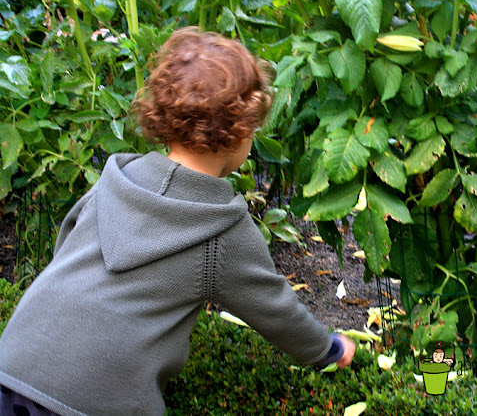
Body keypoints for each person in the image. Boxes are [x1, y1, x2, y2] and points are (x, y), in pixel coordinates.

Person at [0, 26, 355, 416]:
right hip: (96, 401)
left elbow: (65, 243)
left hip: (12, 363)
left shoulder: (115, 180)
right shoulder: (222, 229)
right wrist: (327, 350)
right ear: (242, 132)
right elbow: (274, 309)